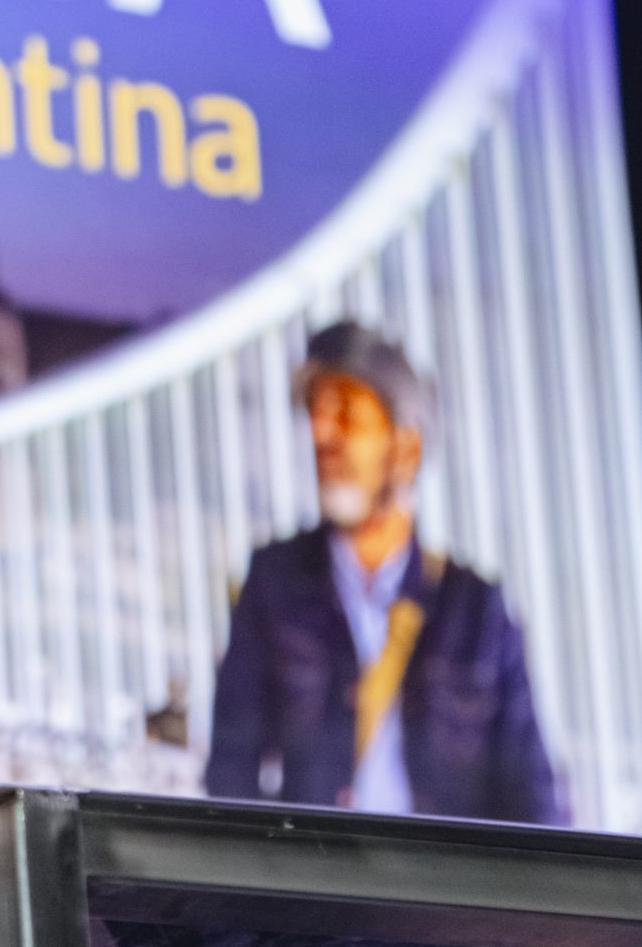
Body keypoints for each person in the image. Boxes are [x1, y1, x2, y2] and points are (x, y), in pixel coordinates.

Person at [204, 321, 560, 824]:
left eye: (347, 414)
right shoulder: (275, 581)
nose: (323, 436)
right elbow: (230, 769)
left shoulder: (475, 609)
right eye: (317, 416)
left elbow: (531, 792)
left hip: (440, 873)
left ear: (406, 447)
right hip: (317, 869)